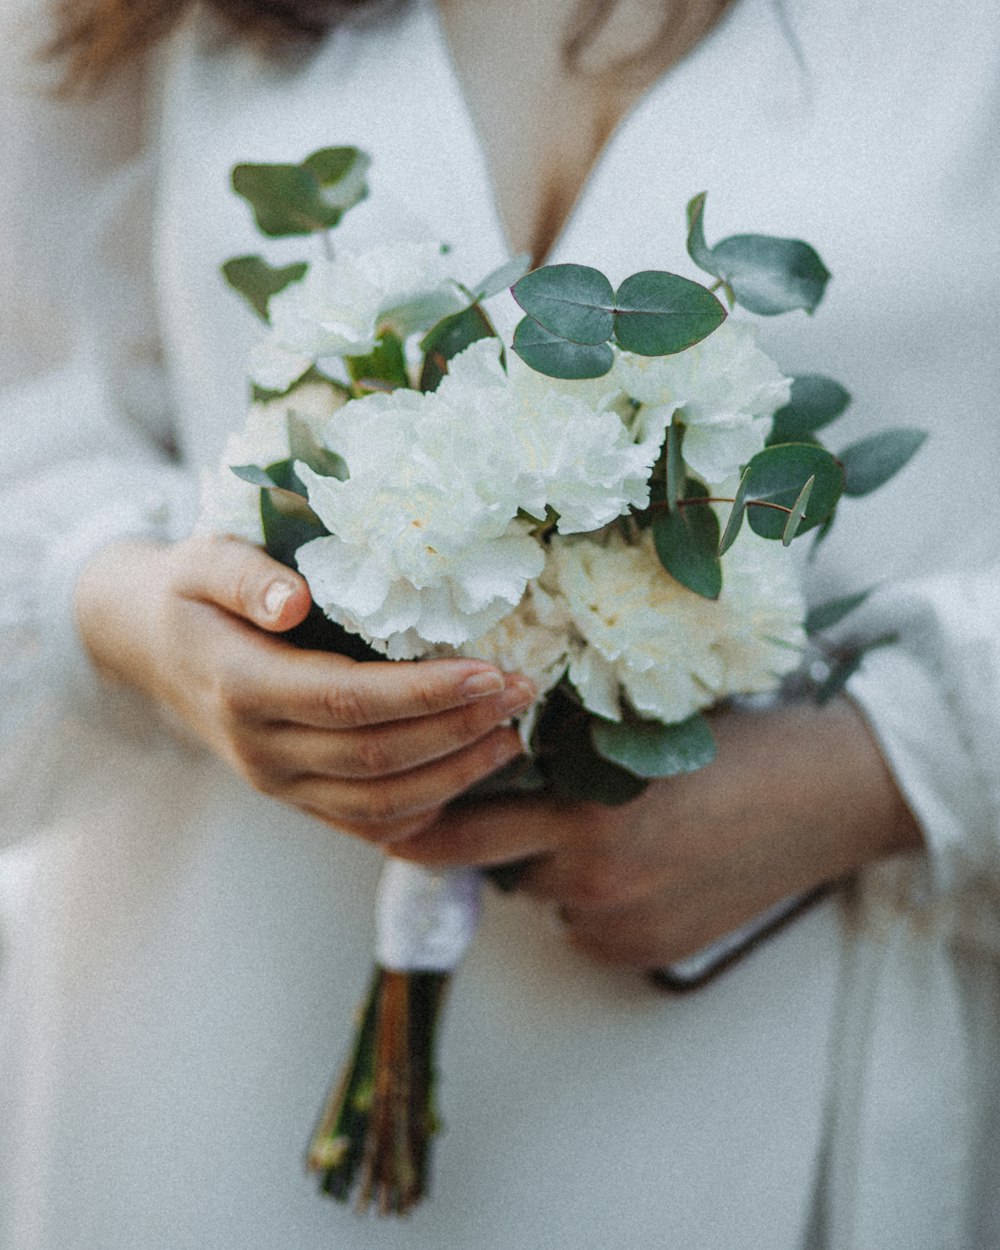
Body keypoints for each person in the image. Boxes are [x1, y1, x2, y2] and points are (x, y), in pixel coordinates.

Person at [0, 0, 997, 1246]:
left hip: (752, 1049)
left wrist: (880, 768)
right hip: (209, 1024)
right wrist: (132, 614)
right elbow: (30, 400)